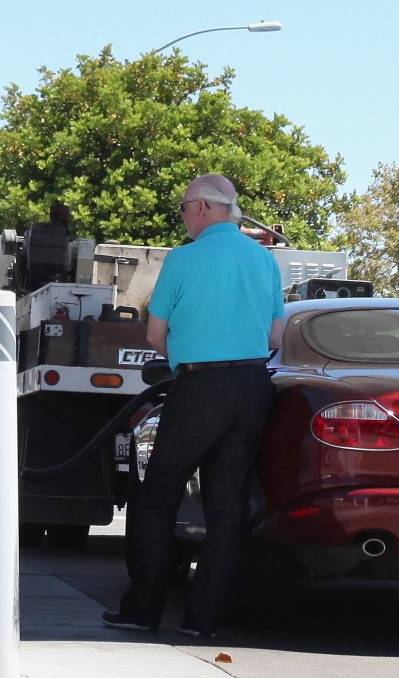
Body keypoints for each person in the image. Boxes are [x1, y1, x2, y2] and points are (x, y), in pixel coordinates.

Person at [104, 173, 286, 642]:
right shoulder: (264, 260)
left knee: (158, 491)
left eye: (184, 207)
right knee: (228, 504)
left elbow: (153, 335)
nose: (183, 216)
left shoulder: (183, 259)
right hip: (253, 385)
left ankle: (142, 610)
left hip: (200, 385)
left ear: (204, 208)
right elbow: (275, 337)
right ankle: (203, 620)